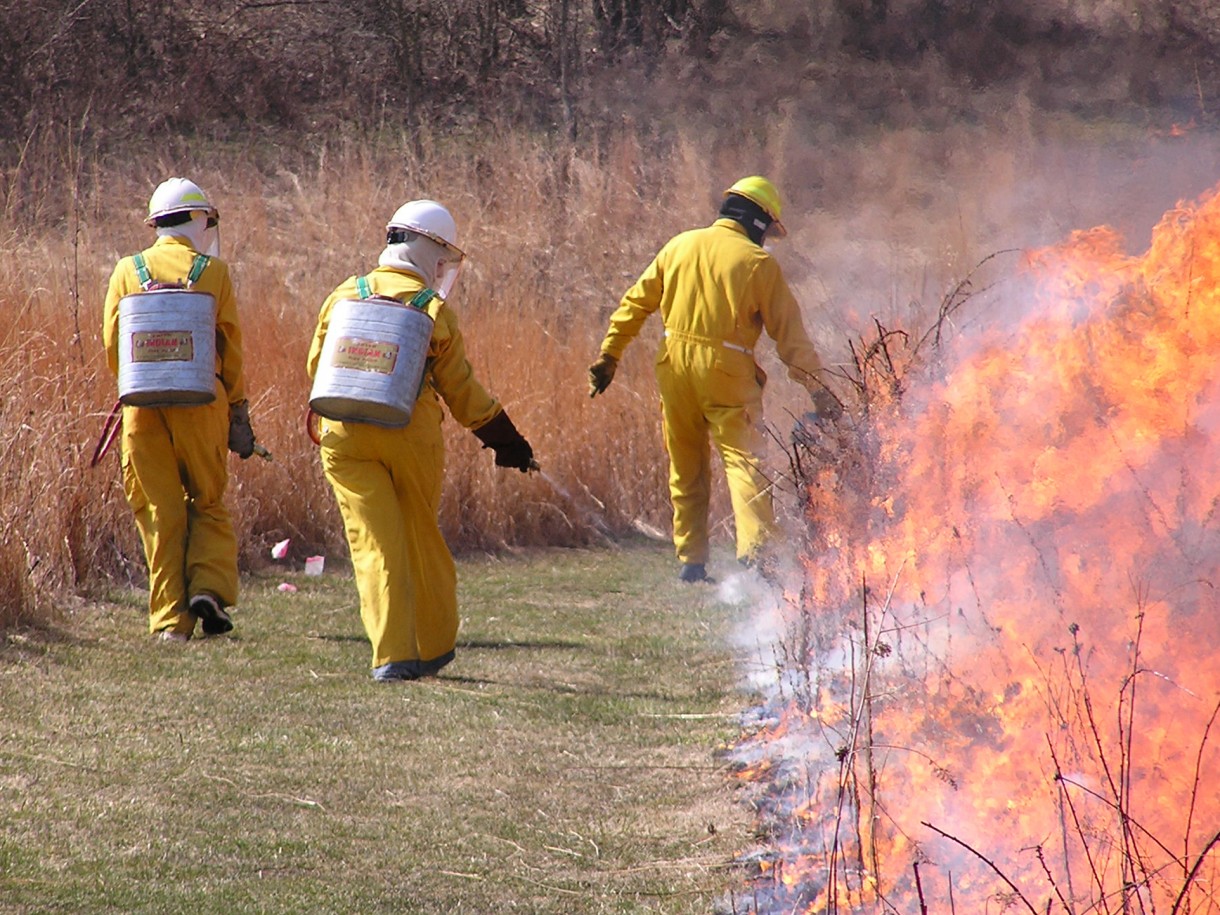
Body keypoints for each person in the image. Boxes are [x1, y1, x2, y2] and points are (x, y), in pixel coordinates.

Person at [307, 199, 535, 682]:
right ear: (432, 252)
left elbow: (317, 370)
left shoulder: (344, 294)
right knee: (418, 535)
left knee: (373, 544)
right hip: (410, 435)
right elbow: (460, 389)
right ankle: (430, 648)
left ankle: (391, 656)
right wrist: (504, 437)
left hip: (343, 435)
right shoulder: (432, 309)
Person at [588, 176, 840, 583]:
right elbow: (790, 338)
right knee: (743, 462)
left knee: (686, 464)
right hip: (727, 371)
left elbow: (635, 303)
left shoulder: (679, 245)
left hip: (673, 367)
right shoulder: (758, 264)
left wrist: (609, 355)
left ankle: (691, 561)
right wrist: (819, 390)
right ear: (760, 222)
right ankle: (757, 552)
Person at [103, 177, 259, 640]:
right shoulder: (214, 272)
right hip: (202, 403)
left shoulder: (126, 270)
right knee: (207, 500)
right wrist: (239, 410)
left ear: (157, 224)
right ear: (198, 220)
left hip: (142, 408)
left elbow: (114, 344)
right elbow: (230, 349)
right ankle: (208, 589)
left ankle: (171, 622)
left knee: (159, 509)